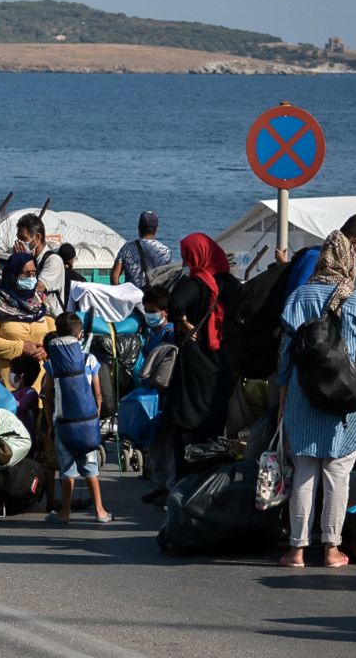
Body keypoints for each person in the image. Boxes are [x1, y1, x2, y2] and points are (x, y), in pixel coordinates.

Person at [277, 229, 356, 569]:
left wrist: (282, 398)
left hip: (303, 399)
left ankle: (296, 551)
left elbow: (285, 357)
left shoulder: (299, 297)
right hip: (347, 406)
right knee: (337, 476)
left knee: (304, 474)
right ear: (350, 262)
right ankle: (331, 549)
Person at [165, 233, 241, 480]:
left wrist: (184, 322)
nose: (187, 261)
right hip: (220, 365)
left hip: (193, 365)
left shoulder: (196, 282)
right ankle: (209, 486)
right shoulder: (229, 283)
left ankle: (183, 486)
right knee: (213, 428)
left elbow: (175, 303)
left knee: (186, 427)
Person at [43, 313, 111, 524]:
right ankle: (100, 511)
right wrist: (95, 415)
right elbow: (98, 393)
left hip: (63, 421)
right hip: (87, 421)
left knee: (67, 470)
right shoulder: (89, 359)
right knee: (91, 467)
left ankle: (65, 512)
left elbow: (47, 395)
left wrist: (49, 423)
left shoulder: (52, 362)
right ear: (80, 335)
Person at [0, 252, 52, 382]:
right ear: (13, 275)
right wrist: (21, 347)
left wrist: (46, 349)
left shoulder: (41, 301)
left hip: (38, 380)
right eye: (26, 274)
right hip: (6, 380)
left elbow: (53, 336)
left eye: (34, 273)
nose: (31, 277)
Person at [137, 284, 177, 505]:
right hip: (152, 395)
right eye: (146, 310)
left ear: (165, 311)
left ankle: (169, 486)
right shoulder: (153, 332)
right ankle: (160, 485)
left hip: (165, 394)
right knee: (157, 444)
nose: (148, 314)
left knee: (168, 444)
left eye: (152, 310)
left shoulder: (170, 333)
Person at [15, 213, 65, 316]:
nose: (19, 242)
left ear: (37, 237)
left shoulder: (53, 261)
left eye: (23, 239)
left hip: (51, 319)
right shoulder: (30, 258)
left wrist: (23, 261)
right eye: (18, 238)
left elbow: (35, 288)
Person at [110, 211, 172, 289]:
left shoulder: (127, 248)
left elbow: (114, 277)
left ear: (139, 227)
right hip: (152, 298)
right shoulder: (165, 251)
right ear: (156, 229)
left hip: (130, 296)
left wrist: (121, 295)